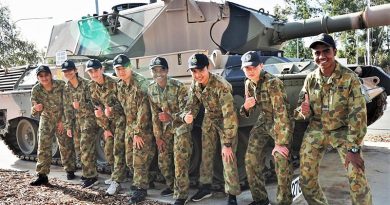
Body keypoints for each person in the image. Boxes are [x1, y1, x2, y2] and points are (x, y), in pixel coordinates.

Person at [295, 33, 372, 205]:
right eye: (317, 52)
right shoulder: (310, 78)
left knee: (356, 175)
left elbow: (358, 114)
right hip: (317, 129)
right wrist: (303, 111)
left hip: (343, 131)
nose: (321, 56)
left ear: (334, 51)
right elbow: (302, 110)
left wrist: (353, 148)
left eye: (326, 51)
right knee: (306, 179)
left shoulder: (349, 78)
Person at [181, 53, 240, 205]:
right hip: (209, 119)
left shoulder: (221, 85)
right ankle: (205, 187)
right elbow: (192, 105)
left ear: (207, 68)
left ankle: (232, 195)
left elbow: (230, 115)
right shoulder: (195, 84)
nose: (197, 74)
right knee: (206, 154)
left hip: (225, 121)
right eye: (194, 71)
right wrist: (188, 115)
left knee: (228, 157)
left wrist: (227, 143)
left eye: (200, 70)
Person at [240, 51, 293, 205]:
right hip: (264, 119)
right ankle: (260, 199)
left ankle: (284, 201)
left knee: (281, 159)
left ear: (261, 66)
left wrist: (280, 143)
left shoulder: (272, 83)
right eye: (246, 68)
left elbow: (281, 112)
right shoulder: (248, 83)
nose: (250, 71)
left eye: (253, 67)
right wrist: (245, 107)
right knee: (250, 159)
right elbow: (247, 111)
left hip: (281, 121)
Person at [147, 57, 193, 205]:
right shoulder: (151, 89)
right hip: (165, 129)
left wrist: (170, 116)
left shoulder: (178, 86)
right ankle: (173, 186)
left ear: (166, 71)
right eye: (154, 70)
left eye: (161, 69)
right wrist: (158, 137)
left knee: (180, 161)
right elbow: (155, 115)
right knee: (163, 161)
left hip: (181, 128)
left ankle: (181, 195)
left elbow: (187, 112)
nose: (157, 73)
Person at [112, 54, 156, 204]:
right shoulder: (120, 85)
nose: (121, 71)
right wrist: (111, 110)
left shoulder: (141, 83)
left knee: (139, 160)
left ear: (130, 67)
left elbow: (144, 110)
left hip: (143, 128)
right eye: (118, 69)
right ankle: (147, 179)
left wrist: (138, 132)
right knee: (129, 160)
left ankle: (140, 189)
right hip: (130, 127)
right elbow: (120, 106)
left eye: (123, 68)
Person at [30, 65, 77, 186]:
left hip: (61, 118)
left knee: (65, 145)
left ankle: (70, 170)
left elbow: (67, 104)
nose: (44, 78)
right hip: (46, 118)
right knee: (43, 145)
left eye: (46, 75)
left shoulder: (61, 85)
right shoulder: (36, 90)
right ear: (38, 78)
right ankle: (42, 175)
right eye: (41, 76)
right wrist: (35, 108)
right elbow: (34, 111)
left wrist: (62, 121)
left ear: (51, 75)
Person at [86, 59, 126, 195]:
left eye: (96, 70)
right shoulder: (91, 86)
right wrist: (106, 128)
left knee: (118, 150)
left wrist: (112, 110)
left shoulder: (115, 83)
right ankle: (116, 173)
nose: (94, 74)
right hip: (108, 123)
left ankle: (117, 181)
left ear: (102, 69)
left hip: (121, 120)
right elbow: (97, 109)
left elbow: (126, 105)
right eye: (90, 72)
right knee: (108, 151)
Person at [61, 60, 99, 188]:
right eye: (65, 71)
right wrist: (68, 126)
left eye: (70, 70)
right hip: (76, 122)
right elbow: (67, 108)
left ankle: (91, 176)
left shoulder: (87, 84)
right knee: (79, 149)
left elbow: (95, 104)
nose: (68, 73)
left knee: (86, 147)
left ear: (75, 70)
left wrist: (80, 105)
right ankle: (87, 172)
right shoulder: (66, 88)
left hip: (88, 120)